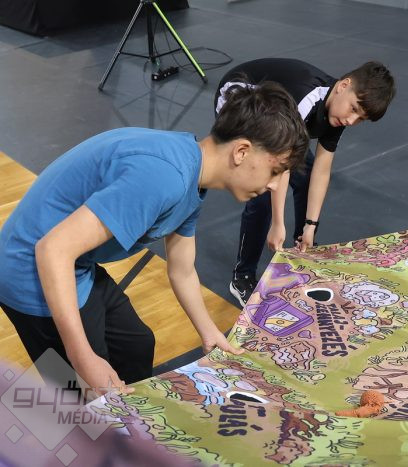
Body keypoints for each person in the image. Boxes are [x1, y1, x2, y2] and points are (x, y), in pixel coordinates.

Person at [0, 81, 308, 395]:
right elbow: (52, 250)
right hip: (29, 270)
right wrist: (82, 358)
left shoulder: (193, 171)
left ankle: (125, 415)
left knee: (136, 345)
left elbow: (182, 270)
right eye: (275, 170)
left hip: (75, 261)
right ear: (241, 151)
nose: (275, 185)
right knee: (84, 393)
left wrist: (208, 332)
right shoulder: (164, 178)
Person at [215, 58, 396, 307]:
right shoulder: (306, 98)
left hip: (275, 117)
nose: (351, 121)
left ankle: (303, 249)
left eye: (360, 119)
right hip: (238, 101)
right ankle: (242, 276)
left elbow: (322, 170)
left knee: (307, 175)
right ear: (343, 86)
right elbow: (281, 165)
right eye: (354, 109)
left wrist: (310, 226)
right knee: (263, 188)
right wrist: (278, 224)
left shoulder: (338, 111)